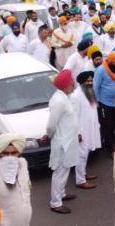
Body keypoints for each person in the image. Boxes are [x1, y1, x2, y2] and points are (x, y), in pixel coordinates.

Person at [42, 69, 80, 214]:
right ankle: (56, 203)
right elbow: (51, 124)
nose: (73, 82)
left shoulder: (66, 96)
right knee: (60, 172)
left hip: (69, 140)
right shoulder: (58, 100)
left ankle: (61, 194)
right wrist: (48, 135)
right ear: (66, 84)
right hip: (62, 142)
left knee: (66, 169)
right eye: (71, 80)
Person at [70, 71, 100, 189]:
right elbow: (73, 116)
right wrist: (78, 133)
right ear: (82, 82)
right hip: (82, 131)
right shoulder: (76, 96)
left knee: (85, 153)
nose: (89, 82)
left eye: (91, 80)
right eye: (87, 81)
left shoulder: (89, 92)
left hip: (90, 129)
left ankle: (83, 174)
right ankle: (80, 180)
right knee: (81, 155)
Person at [94, 51, 115, 152]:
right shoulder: (100, 70)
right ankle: (109, 148)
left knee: (114, 123)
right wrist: (97, 102)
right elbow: (95, 87)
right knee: (107, 124)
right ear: (110, 61)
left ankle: (109, 142)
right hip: (104, 103)